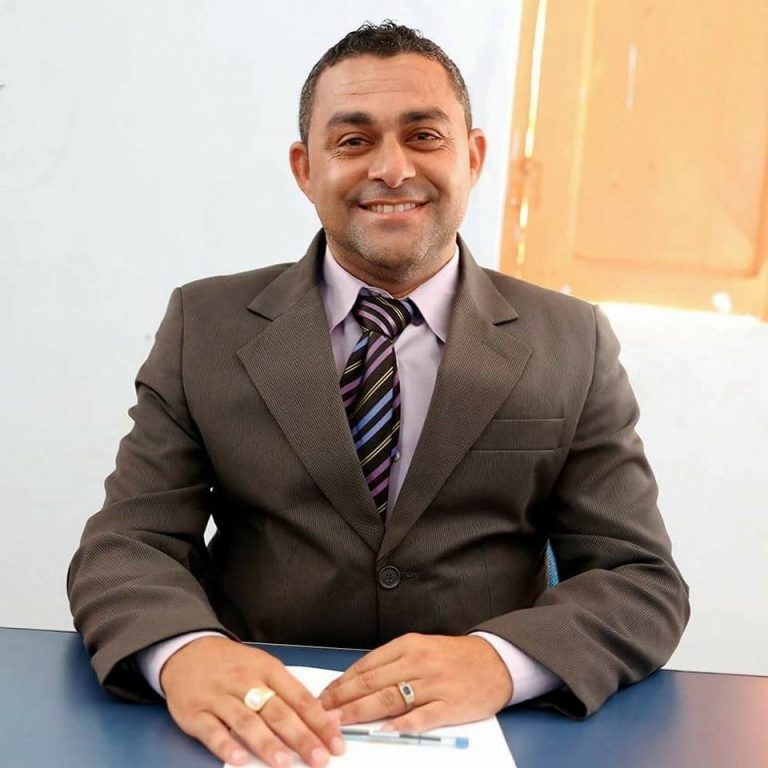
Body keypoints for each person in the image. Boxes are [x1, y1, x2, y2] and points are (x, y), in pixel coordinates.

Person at [67, 21, 689, 768]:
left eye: (424, 136)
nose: (392, 169)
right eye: (353, 141)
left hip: (492, 732)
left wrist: (500, 661)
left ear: (473, 156)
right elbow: (125, 546)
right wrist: (186, 653)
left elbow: (639, 580)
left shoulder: (571, 339)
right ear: (305, 168)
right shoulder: (206, 325)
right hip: (259, 730)